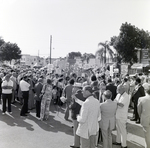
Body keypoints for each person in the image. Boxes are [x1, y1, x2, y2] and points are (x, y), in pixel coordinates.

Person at [69, 83, 85, 148]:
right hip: (81, 113)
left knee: (76, 130)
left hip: (75, 113)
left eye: (74, 87)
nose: (73, 88)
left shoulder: (75, 95)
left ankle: (76, 144)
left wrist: (70, 106)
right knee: (80, 129)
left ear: (77, 88)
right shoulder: (84, 94)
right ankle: (80, 143)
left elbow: (73, 105)